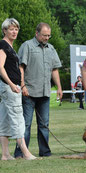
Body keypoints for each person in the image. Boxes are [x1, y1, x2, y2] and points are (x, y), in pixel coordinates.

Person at [14, 22, 63, 158]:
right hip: (28, 92)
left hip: (45, 92)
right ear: (37, 33)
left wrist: (59, 87)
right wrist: (22, 85)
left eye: (48, 35)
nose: (47, 38)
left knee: (44, 125)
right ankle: (20, 153)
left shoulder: (51, 49)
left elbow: (54, 69)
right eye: (44, 35)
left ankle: (45, 152)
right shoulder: (27, 46)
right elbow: (21, 68)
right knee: (26, 125)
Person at [0, 18, 36, 160]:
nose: (14, 31)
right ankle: (25, 153)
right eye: (11, 29)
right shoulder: (3, 45)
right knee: (17, 119)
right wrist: (11, 84)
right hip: (10, 88)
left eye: (16, 29)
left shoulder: (9, 46)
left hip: (8, 88)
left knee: (5, 120)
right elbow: (0, 67)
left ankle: (5, 154)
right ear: (4, 30)